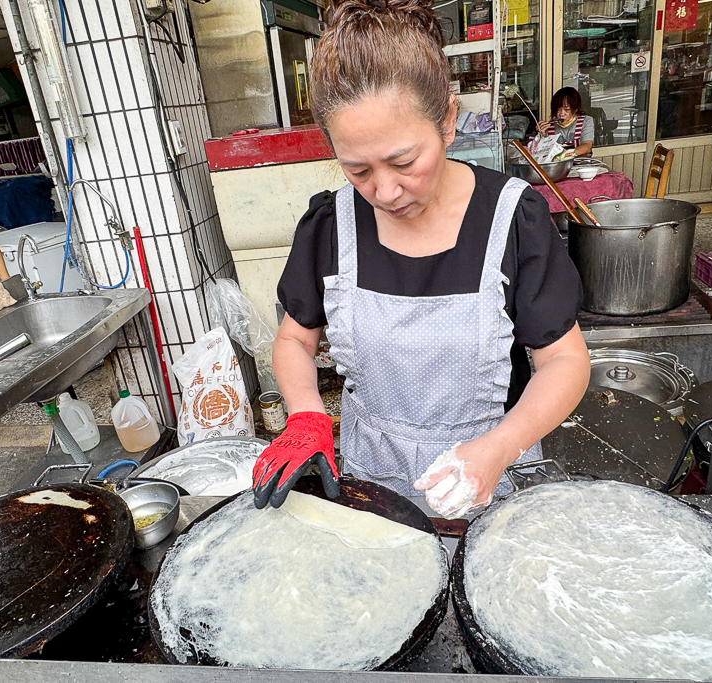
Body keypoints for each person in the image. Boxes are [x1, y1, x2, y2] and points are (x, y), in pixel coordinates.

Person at [251, 0, 590, 518]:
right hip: (372, 483)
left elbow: (565, 362)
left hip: (489, 482)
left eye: (404, 161)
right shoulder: (330, 225)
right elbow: (295, 339)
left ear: (449, 120)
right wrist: (306, 417)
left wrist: (498, 449)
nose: (385, 191)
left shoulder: (511, 220)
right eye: (358, 169)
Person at [535, 87, 594, 157]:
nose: (562, 114)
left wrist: (566, 154)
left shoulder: (586, 121)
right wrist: (543, 136)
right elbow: (543, 153)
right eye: (558, 109)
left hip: (580, 163)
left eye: (567, 109)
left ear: (575, 109)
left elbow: (587, 146)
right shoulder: (549, 126)